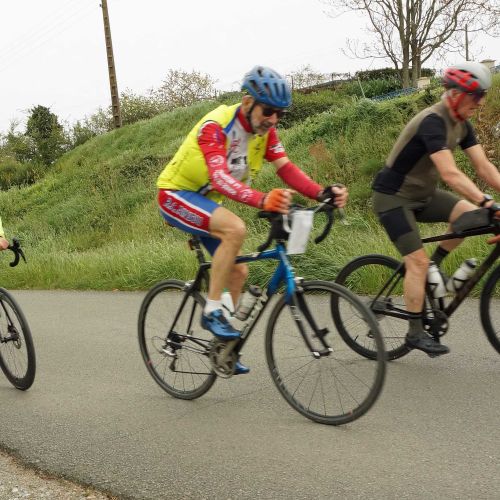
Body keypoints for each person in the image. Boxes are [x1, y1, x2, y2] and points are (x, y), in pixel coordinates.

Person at [156, 65, 348, 373]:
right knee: (235, 228)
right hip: (175, 195)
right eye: (268, 111)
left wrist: (321, 193)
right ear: (248, 102)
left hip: (205, 202)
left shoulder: (265, 133)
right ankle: (212, 311)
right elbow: (219, 178)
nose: (273, 119)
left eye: (280, 114)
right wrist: (262, 199)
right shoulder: (215, 126)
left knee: (239, 272)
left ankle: (223, 349)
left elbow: (286, 168)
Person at [372, 61, 500, 356]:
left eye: (482, 95)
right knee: (416, 263)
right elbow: (450, 174)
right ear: (455, 94)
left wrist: (486, 205)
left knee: (470, 216)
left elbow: (484, 167)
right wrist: (488, 202)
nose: (480, 102)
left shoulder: (462, 124)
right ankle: (415, 333)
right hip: (392, 198)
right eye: (475, 95)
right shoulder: (432, 121)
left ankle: (435, 265)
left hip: (424, 194)